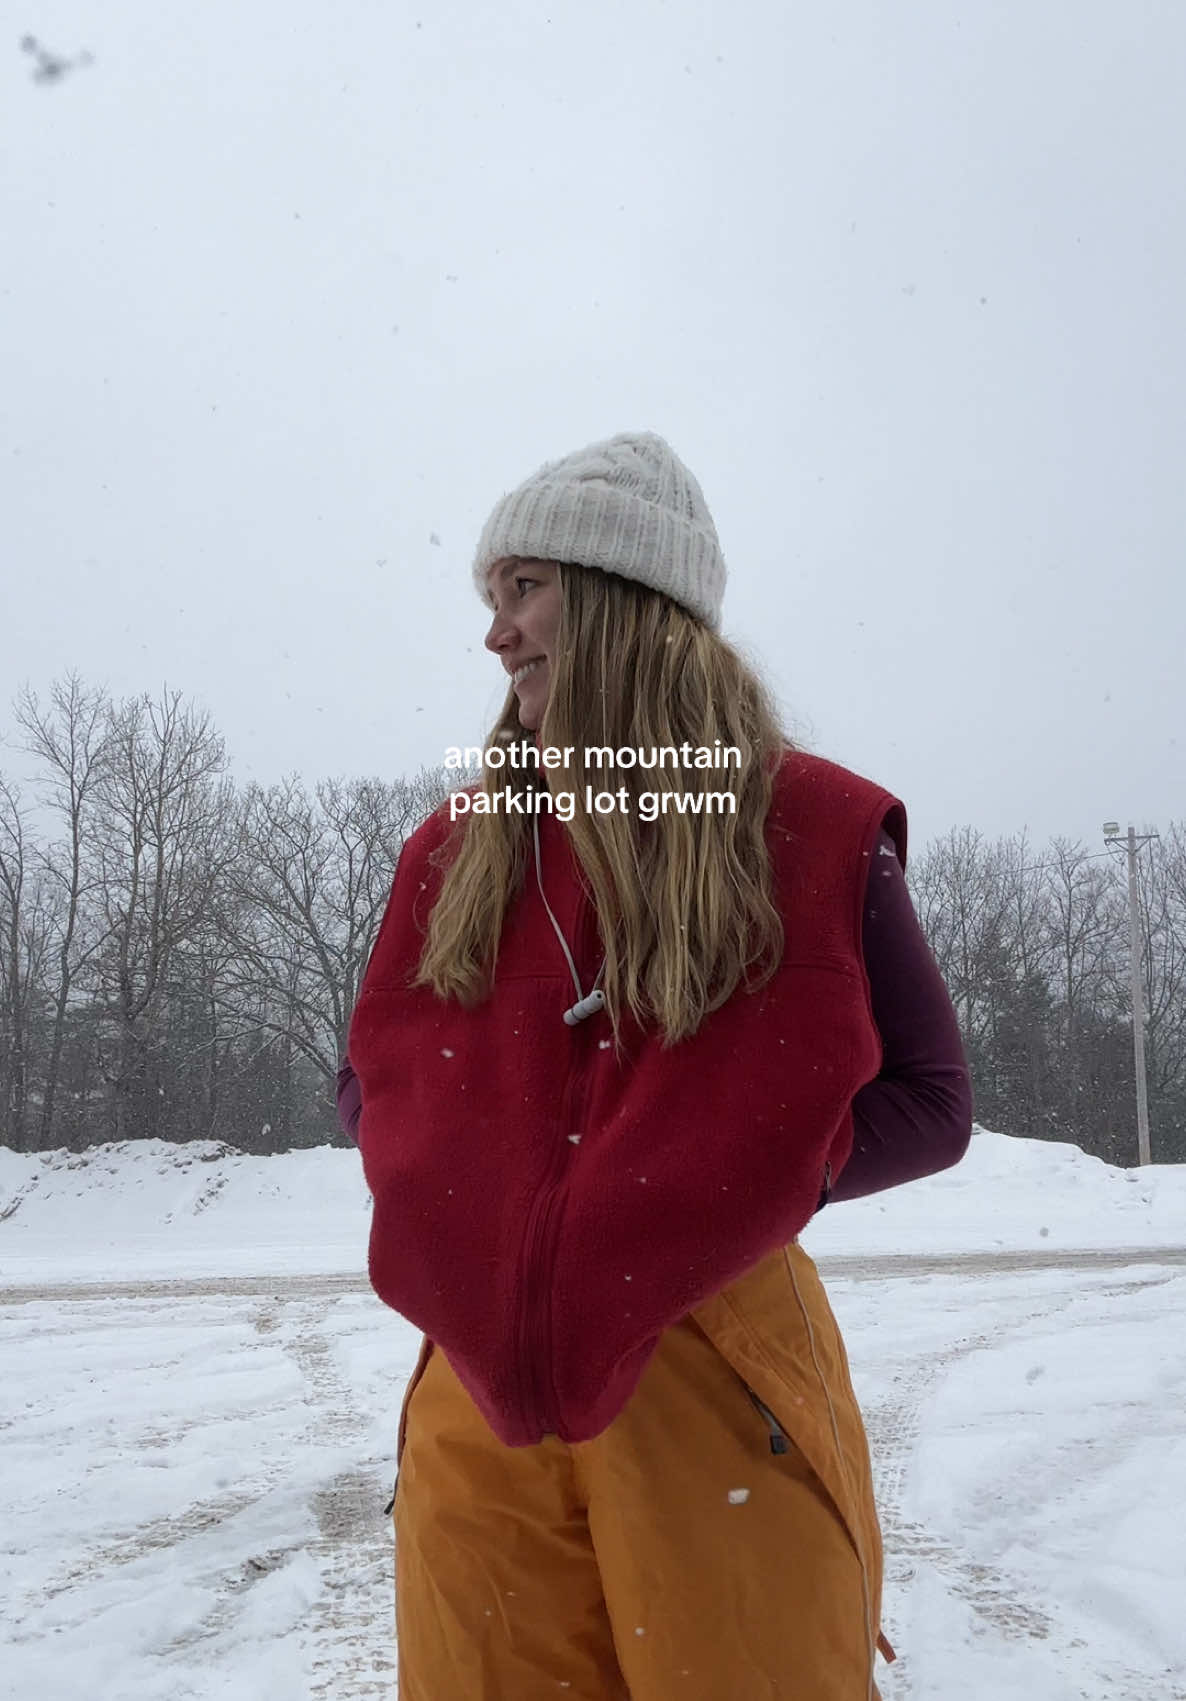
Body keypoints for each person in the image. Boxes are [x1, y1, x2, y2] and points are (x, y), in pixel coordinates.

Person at [340, 431, 972, 1700]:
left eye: (525, 590)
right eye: (490, 598)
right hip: (476, 1381)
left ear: (625, 597)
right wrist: (480, 1203)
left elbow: (929, 1104)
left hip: (722, 1360)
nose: (496, 633)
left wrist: (708, 1188)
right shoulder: (454, 849)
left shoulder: (814, 827)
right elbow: (370, 1080)